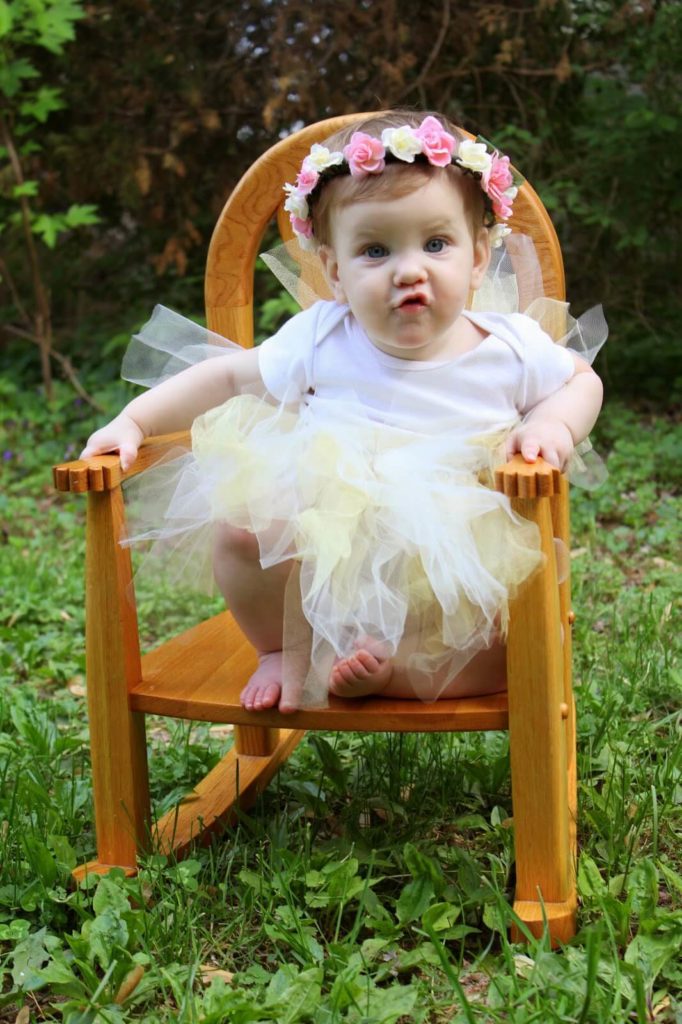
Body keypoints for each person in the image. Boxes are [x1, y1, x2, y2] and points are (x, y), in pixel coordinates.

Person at [81, 110, 604, 714]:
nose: (409, 269)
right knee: (243, 526)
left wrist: (554, 422)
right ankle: (279, 649)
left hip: (455, 542)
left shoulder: (508, 346)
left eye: (436, 244)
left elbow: (581, 379)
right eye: (375, 250)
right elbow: (226, 374)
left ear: (479, 256)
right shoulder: (323, 336)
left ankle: (397, 672)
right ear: (334, 270)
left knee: (499, 648)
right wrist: (135, 421)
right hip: (330, 530)